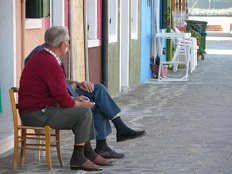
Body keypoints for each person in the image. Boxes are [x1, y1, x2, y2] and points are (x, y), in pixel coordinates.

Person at [25, 35, 146, 160]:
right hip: (59, 97)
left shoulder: (53, 55)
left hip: (69, 90)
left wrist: (78, 83)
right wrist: (71, 94)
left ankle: (119, 126)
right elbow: (46, 83)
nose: (68, 45)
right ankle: (103, 146)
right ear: (59, 42)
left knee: (98, 88)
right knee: (97, 105)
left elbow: (60, 79)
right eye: (67, 42)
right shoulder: (40, 55)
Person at [18, 26, 113, 171]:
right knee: (83, 114)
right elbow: (63, 99)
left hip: (37, 110)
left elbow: (56, 93)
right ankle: (79, 158)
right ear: (62, 44)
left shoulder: (43, 56)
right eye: (68, 42)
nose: (69, 45)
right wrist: (78, 103)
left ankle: (87, 153)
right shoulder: (50, 62)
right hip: (36, 114)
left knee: (82, 112)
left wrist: (77, 100)